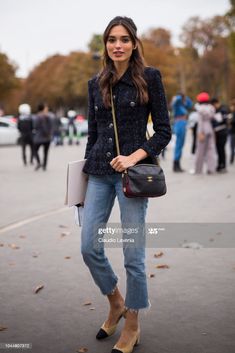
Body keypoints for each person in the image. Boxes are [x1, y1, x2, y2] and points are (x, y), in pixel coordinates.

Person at [81, 16, 171, 353]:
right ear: (105, 45)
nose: (117, 45)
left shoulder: (149, 78)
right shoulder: (96, 83)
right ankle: (115, 301)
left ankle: (132, 323)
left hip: (133, 179)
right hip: (98, 177)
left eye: (124, 39)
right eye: (111, 39)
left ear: (134, 44)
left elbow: (164, 130)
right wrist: (84, 175)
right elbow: (93, 133)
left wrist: (134, 157)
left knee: (133, 254)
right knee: (89, 247)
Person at [194, 92, 217, 174]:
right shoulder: (211, 107)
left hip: (202, 129)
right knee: (211, 150)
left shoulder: (199, 107)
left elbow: (200, 121)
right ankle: (211, 169)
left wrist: (200, 132)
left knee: (200, 151)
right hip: (210, 128)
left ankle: (198, 169)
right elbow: (213, 117)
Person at [171, 93, 193, 172]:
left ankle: (178, 164)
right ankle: (176, 164)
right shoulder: (177, 104)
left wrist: (185, 97)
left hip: (183, 123)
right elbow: (176, 100)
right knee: (179, 144)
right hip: (179, 123)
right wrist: (180, 96)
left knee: (181, 144)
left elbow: (190, 104)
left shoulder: (183, 105)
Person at [211, 98, 229, 173]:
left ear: (216, 103)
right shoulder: (216, 110)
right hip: (217, 133)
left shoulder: (223, 110)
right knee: (218, 149)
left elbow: (224, 121)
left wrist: (216, 122)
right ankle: (219, 164)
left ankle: (223, 165)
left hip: (222, 132)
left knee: (221, 149)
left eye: (214, 105)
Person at [33, 103, 53, 171]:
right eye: (46, 108)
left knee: (35, 150)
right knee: (46, 152)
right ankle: (44, 166)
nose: (47, 109)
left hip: (39, 137)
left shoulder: (37, 117)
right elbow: (51, 127)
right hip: (47, 138)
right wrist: (49, 134)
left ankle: (39, 162)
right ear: (43, 108)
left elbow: (35, 126)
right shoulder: (48, 116)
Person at [229, 99, 235, 164]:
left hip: (233, 132)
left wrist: (230, 121)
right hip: (232, 132)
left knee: (232, 146)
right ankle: (231, 159)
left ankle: (231, 159)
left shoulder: (233, 114)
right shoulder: (232, 113)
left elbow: (232, 122)